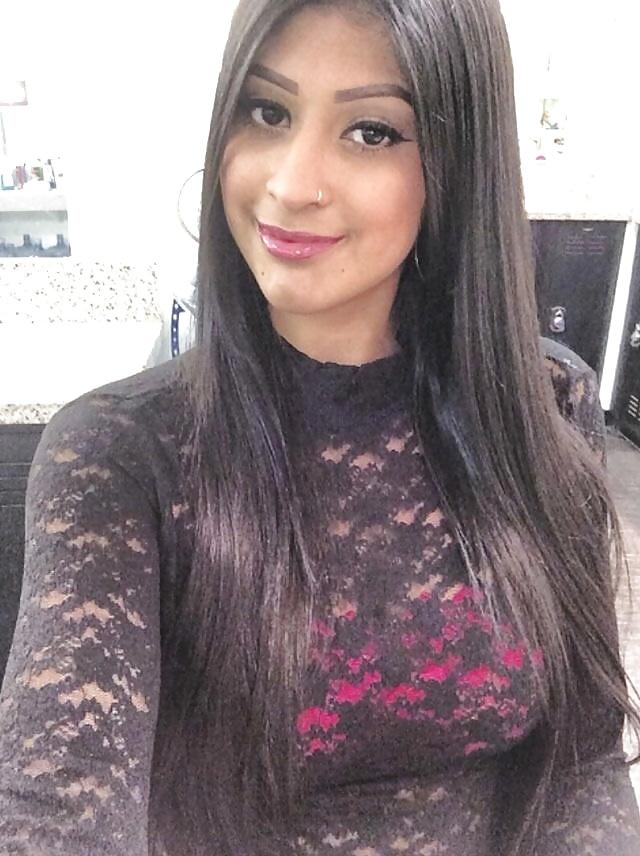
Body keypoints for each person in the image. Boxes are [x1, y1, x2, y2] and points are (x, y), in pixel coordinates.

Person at [0, 1, 639, 854]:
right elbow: (57, 808)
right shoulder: (119, 458)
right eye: (268, 112)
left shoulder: (545, 405)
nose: (292, 184)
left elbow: (583, 763)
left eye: (371, 132)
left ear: (457, 165)